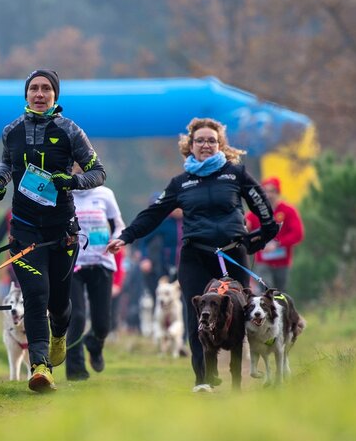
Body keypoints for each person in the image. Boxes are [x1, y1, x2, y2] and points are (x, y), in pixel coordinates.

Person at [107, 117, 278, 393]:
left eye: (211, 140)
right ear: (190, 145)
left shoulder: (236, 174)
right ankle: (203, 378)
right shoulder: (181, 183)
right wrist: (125, 237)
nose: (206, 145)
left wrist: (259, 238)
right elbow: (153, 214)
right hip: (195, 256)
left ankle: (245, 374)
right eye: (200, 140)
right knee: (197, 316)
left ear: (220, 143)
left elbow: (263, 207)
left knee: (240, 312)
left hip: (232, 254)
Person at [0, 69, 106, 392]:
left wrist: (74, 180)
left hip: (62, 232)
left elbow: (98, 172)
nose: (39, 94)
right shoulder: (11, 131)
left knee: (58, 303)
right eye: (34, 89)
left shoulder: (70, 131)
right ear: (26, 94)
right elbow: (6, 164)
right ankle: (40, 367)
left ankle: (59, 334)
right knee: (35, 296)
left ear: (55, 96)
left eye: (46, 89)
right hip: (24, 231)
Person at [65, 181, 125, 381]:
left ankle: (95, 342)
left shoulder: (105, 194)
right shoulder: (64, 193)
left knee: (102, 323)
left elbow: (118, 225)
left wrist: (116, 239)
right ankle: (75, 370)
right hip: (73, 264)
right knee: (77, 315)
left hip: (101, 262)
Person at [245, 176, 304, 292]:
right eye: (265, 191)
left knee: (280, 292)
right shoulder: (256, 212)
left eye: (272, 191)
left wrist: (278, 244)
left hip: (283, 263)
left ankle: (279, 309)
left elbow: (298, 234)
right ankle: (267, 308)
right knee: (267, 289)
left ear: (278, 193)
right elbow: (245, 226)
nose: (269, 195)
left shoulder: (288, 211)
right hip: (263, 262)